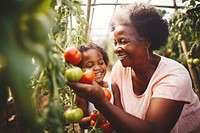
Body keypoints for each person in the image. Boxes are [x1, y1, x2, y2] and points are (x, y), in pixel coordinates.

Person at [67, 2, 200, 133]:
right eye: (115, 42)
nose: (116, 49)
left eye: (123, 41)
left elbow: (154, 130)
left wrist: (100, 101)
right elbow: (119, 115)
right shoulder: (120, 69)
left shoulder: (174, 76)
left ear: (146, 42)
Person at [75, 43, 123, 130]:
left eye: (101, 63)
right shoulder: (82, 93)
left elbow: (120, 114)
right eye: (90, 65)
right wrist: (96, 117)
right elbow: (82, 123)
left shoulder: (113, 87)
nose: (97, 68)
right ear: (80, 70)